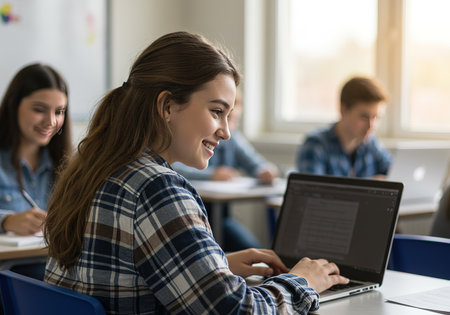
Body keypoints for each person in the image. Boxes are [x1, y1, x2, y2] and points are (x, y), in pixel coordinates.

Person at [44, 31, 348, 314]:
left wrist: (216, 267)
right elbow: (237, 311)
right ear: (167, 107)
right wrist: (303, 281)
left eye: (229, 116)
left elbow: (119, 275)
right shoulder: (156, 188)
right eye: (216, 111)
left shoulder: (93, 169)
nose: (226, 132)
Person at [172, 88, 278, 251]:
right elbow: (175, 167)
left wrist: (264, 170)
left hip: (221, 220)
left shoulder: (232, 139)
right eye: (218, 114)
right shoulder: (185, 141)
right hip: (189, 217)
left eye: (233, 119)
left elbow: (254, 162)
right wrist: (211, 175)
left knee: (254, 250)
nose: (226, 130)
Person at [0, 63, 72, 280]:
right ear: (14, 105)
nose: (51, 121)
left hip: (55, 276)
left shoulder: (69, 165)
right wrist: (6, 221)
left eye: (59, 111)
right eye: (39, 109)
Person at [296, 76, 392, 178]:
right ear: (343, 110)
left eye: (376, 117)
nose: (371, 126)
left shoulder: (370, 143)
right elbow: (311, 190)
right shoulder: (316, 145)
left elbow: (395, 174)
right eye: (364, 117)